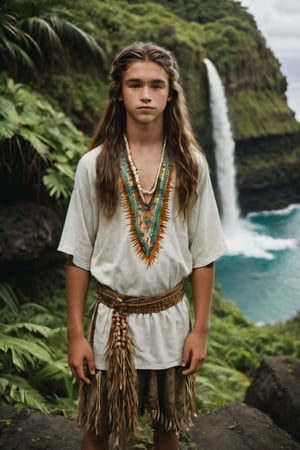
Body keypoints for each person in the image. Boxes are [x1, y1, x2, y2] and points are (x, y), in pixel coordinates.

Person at [58, 41, 227, 450]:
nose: (146, 95)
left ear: (171, 94)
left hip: (170, 323)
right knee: (98, 428)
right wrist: (76, 334)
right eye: (135, 85)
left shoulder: (191, 164)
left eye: (156, 85)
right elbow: (78, 256)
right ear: (119, 91)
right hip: (110, 325)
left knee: (167, 428)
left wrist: (200, 330)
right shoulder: (94, 165)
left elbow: (203, 255)